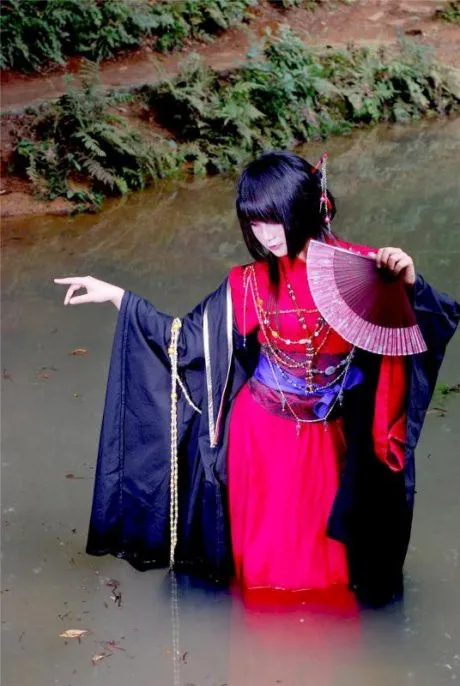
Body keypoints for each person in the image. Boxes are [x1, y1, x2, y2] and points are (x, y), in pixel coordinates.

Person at [55, 151, 459, 607]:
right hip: (259, 438)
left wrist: (409, 284)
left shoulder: (365, 269)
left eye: (273, 219)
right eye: (254, 222)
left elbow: (425, 328)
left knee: (326, 568)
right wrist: (118, 297)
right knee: (266, 565)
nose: (264, 234)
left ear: (305, 208)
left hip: (331, 438)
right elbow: (185, 341)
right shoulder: (245, 283)